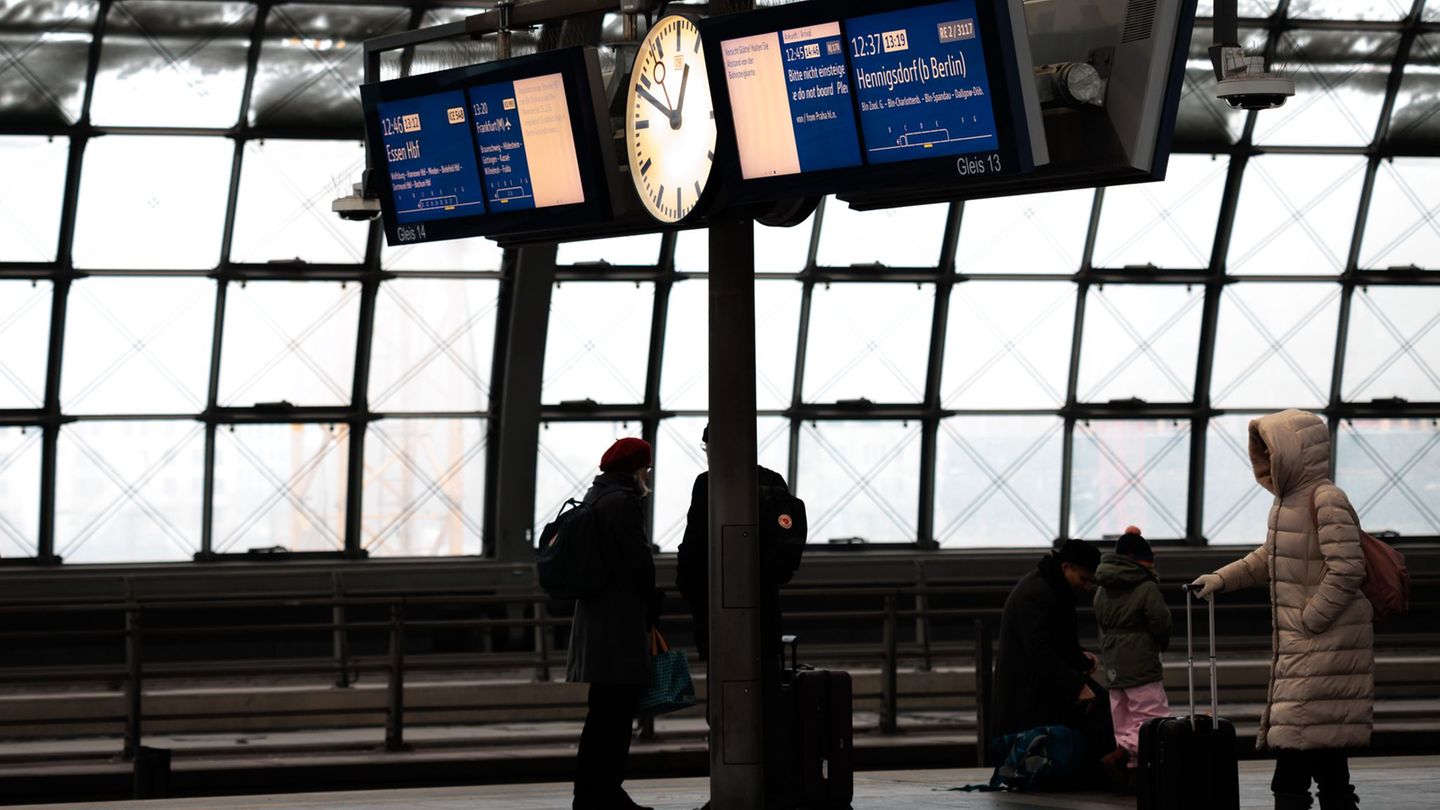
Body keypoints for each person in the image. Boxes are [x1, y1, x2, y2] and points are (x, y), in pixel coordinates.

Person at [1190, 410, 1372, 810]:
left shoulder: (1325, 498)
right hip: (1305, 647)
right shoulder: (1288, 504)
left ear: (1296, 452)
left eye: (1272, 450)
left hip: (1322, 647)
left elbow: (1349, 568)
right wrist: (1221, 578)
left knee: (1294, 751)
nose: (1267, 461)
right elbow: (1267, 558)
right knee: (1324, 750)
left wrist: (1311, 619)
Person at [568, 437, 658, 810]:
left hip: (595, 621)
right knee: (616, 717)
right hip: (618, 624)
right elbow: (637, 563)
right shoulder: (623, 502)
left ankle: (591, 794)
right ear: (638, 469)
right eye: (646, 469)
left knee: (601, 716)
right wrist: (653, 599)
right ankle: (606, 795)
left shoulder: (595, 496)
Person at [993, 538, 1126, 788]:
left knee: (1103, 706)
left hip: (1041, 681)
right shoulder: (1038, 593)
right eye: (1084, 579)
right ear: (1067, 567)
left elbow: (1054, 639)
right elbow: (1039, 650)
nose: (1088, 587)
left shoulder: (1051, 587)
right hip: (1030, 688)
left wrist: (1079, 656)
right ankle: (1102, 776)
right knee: (1099, 710)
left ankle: (1097, 774)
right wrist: (1077, 686)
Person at [1093, 526, 1172, 773]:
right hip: (1141, 660)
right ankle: (1123, 752)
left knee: (1123, 720)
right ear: (1140, 561)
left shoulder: (1101, 589)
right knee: (1152, 717)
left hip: (1113, 662)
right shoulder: (1146, 588)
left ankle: (1130, 774)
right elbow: (1161, 622)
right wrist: (1160, 642)